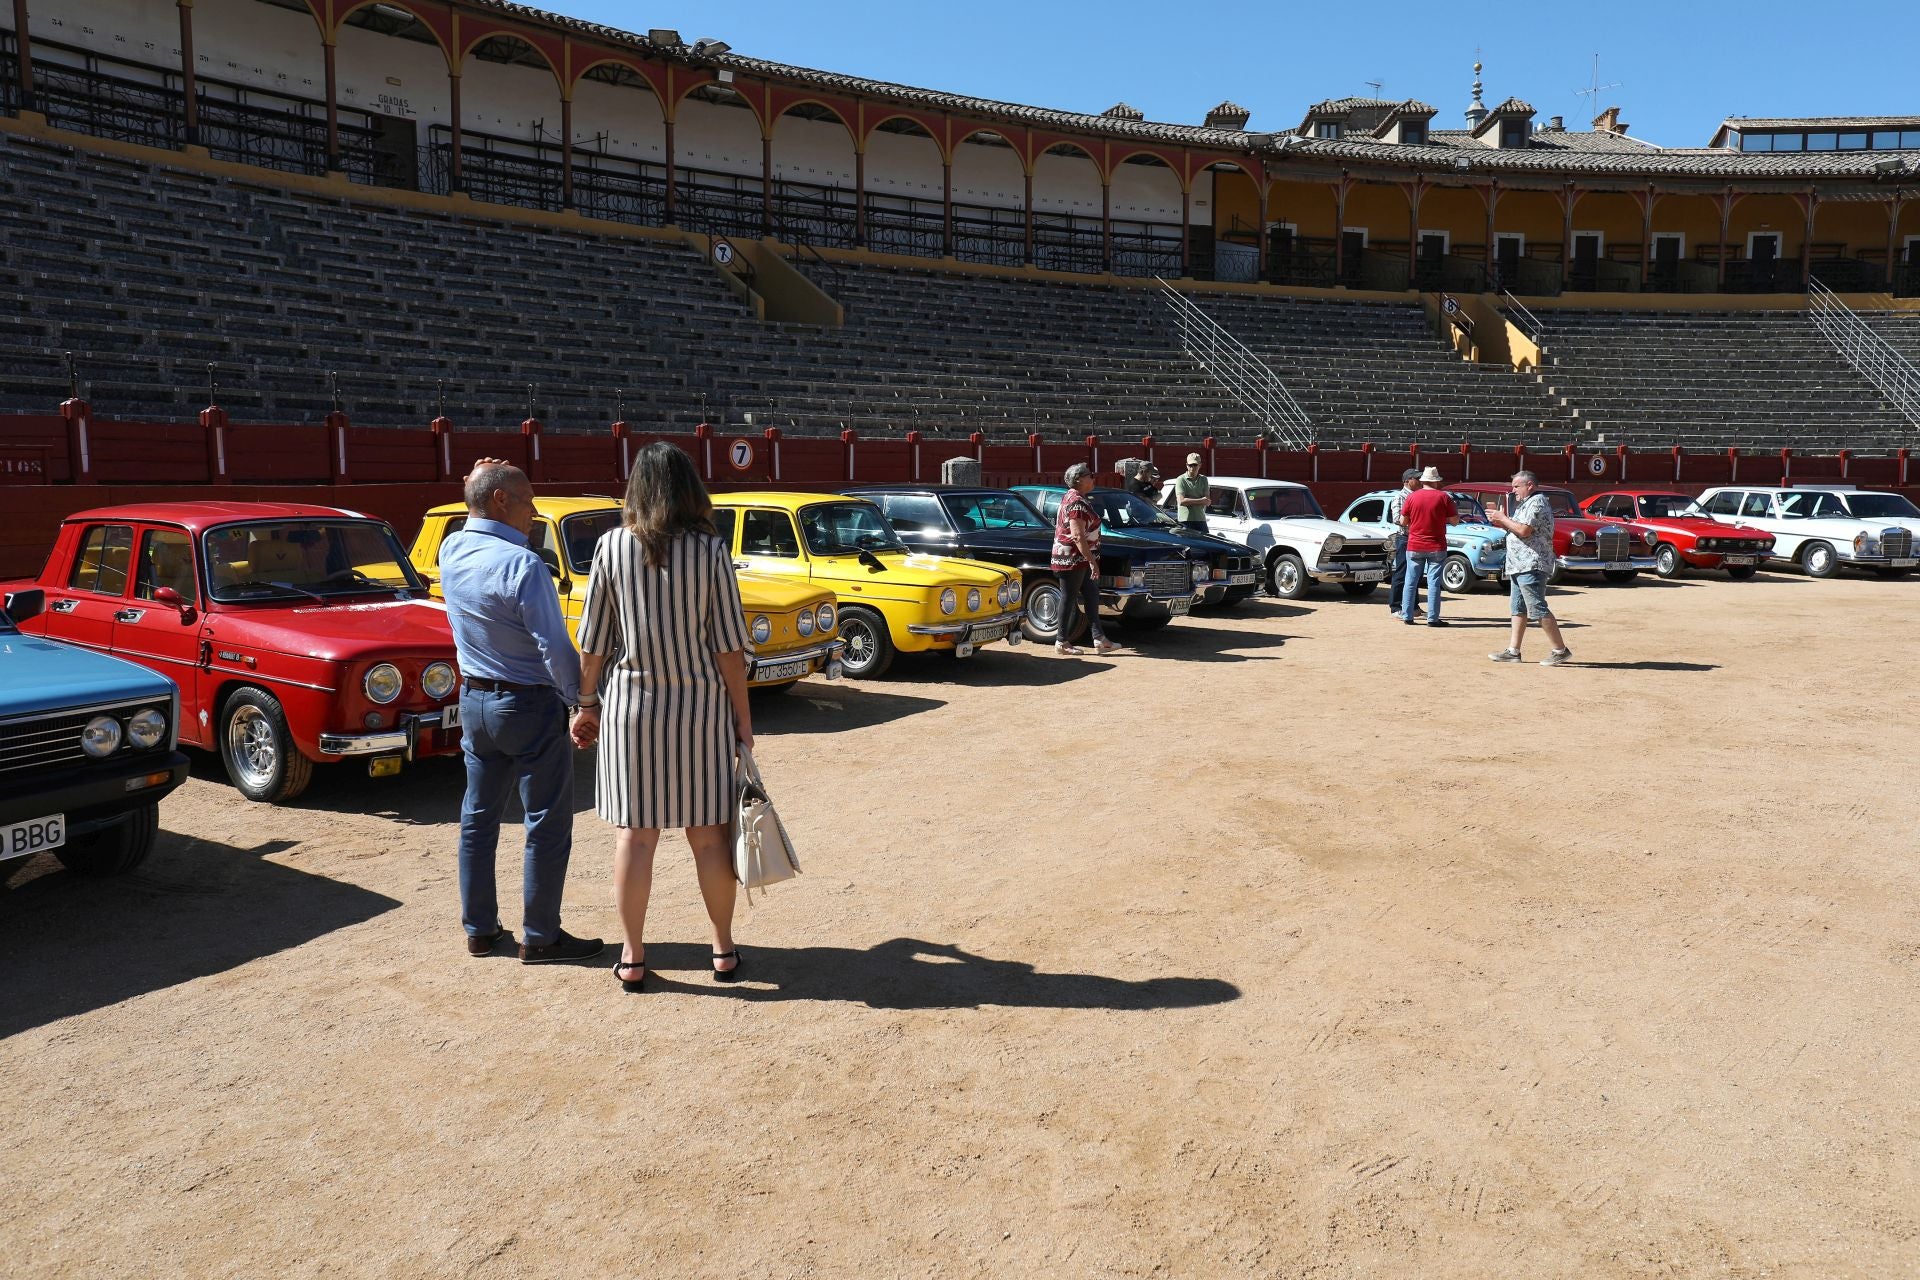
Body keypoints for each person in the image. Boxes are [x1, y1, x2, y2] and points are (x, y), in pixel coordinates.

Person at [569, 443, 756, 992]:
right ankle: (722, 949)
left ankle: (632, 956)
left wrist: (585, 704)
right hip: (700, 709)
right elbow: (729, 647)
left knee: (636, 838)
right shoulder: (711, 551)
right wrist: (743, 720)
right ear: (688, 489)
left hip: (631, 711)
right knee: (709, 838)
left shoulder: (609, 547)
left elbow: (594, 641)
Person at [440, 459, 603, 965]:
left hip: (475, 700)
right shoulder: (523, 564)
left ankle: (479, 929)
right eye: (528, 501)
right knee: (546, 823)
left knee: (478, 819)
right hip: (528, 703)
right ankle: (540, 935)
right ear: (501, 501)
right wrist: (583, 700)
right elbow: (554, 647)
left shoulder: (451, 547)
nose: (534, 512)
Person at [1485, 469, 1574, 665]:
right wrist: (1501, 522)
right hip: (1519, 563)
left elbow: (1525, 530)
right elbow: (1518, 528)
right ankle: (1513, 651)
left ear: (1530, 485)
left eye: (1516, 486)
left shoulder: (1537, 501)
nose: (1513, 491)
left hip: (1531, 563)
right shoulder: (1526, 503)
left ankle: (1560, 651)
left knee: (1537, 608)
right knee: (1518, 608)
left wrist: (1502, 518)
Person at [1051, 462, 1122, 657]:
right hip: (1072, 559)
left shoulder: (1074, 498)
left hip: (1077, 558)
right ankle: (1061, 641)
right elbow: (1077, 536)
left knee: (1091, 596)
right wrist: (1091, 560)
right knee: (1068, 597)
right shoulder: (1077, 502)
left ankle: (1099, 639)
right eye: (1090, 475)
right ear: (1079, 479)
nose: (1093, 478)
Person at [1399, 466, 1458, 627]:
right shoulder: (1444, 497)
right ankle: (1432, 618)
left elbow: (1403, 521)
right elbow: (1454, 521)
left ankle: (1407, 615)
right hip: (1436, 545)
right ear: (1437, 482)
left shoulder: (1411, 497)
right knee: (1433, 582)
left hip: (1415, 544)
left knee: (1410, 581)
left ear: (1423, 481)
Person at [1385, 468, 1420, 619]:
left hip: (1414, 537)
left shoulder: (1416, 496)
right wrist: (1418, 523)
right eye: (1416, 479)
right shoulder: (1400, 497)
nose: (1419, 481)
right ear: (1407, 481)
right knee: (1402, 571)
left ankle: (1414, 606)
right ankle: (1395, 607)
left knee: (1415, 572)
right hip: (1404, 538)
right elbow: (1397, 519)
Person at [1173, 453, 1210, 531]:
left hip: (1200, 519)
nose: (1193, 467)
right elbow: (1181, 501)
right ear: (1187, 465)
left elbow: (1207, 501)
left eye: (1195, 465)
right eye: (1190, 465)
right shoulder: (1181, 479)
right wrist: (1200, 500)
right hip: (1185, 520)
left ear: (1200, 465)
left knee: (1205, 541)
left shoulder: (1204, 479)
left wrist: (1189, 499)